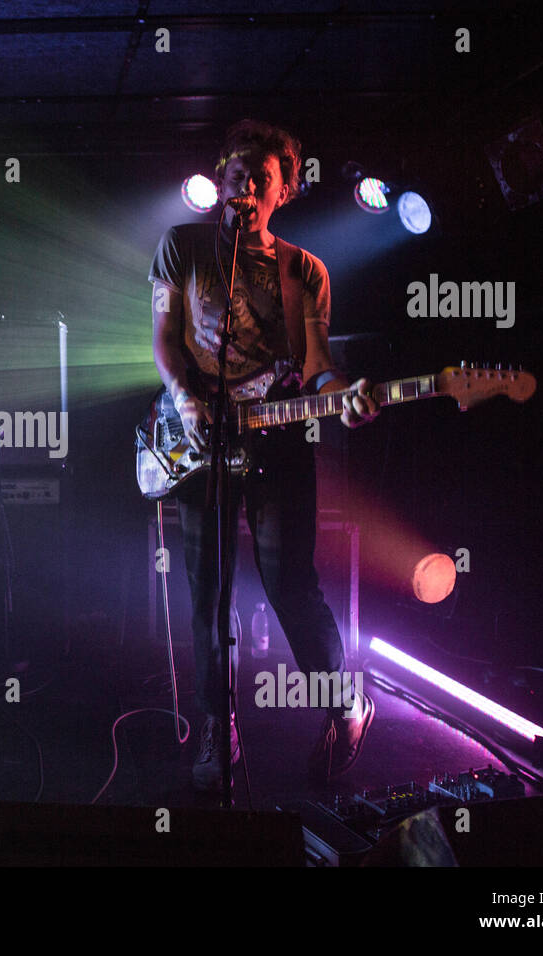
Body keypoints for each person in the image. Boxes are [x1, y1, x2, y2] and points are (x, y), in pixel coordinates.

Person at [149, 119, 378, 793]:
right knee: (207, 594)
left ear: (286, 191)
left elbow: (315, 368)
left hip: (276, 444)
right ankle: (218, 729)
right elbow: (164, 335)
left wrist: (347, 395)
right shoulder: (179, 246)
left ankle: (346, 703)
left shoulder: (305, 272)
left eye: (261, 179)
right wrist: (186, 400)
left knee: (289, 586)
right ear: (221, 179)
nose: (244, 186)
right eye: (236, 174)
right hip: (198, 441)